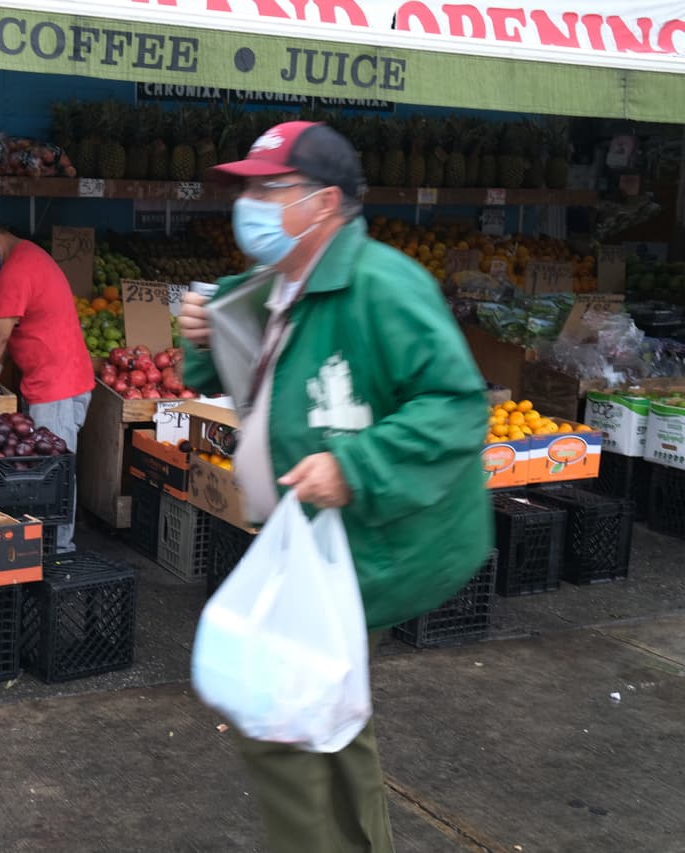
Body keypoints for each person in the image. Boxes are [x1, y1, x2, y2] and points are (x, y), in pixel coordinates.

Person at [180, 121, 492, 852]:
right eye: (246, 189)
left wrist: (354, 467)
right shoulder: (272, 283)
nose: (248, 204)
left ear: (323, 203)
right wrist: (201, 339)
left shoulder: (384, 284)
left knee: (275, 716)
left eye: (267, 189)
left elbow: (456, 404)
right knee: (331, 718)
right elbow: (245, 375)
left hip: (377, 540)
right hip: (316, 538)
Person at [0, 210, 95, 553]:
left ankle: (59, 552)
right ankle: (46, 545)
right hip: (55, 380)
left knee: (54, 471)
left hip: (58, 385)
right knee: (47, 467)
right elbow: (19, 327)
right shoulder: (27, 256)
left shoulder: (17, 268)